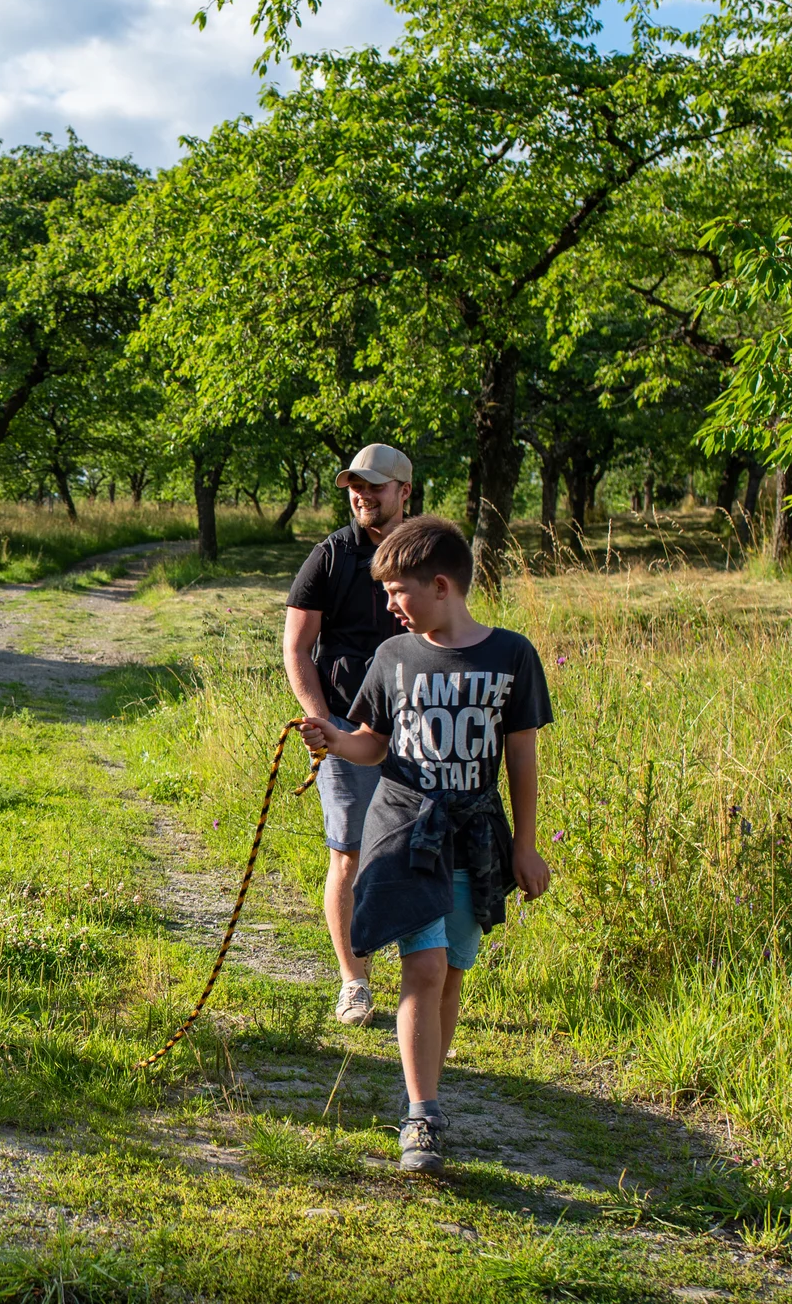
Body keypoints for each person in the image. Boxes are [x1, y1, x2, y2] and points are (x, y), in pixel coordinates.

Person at [299, 516, 552, 1175]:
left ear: (441, 586)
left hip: (476, 836)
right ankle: (423, 1116)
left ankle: (426, 1094)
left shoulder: (512, 656)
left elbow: (521, 755)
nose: (388, 606)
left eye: (397, 593)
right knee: (426, 965)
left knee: (454, 971)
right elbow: (371, 743)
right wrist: (330, 737)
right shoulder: (392, 658)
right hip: (406, 829)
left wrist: (525, 846)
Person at [283, 443, 412, 1026]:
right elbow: (296, 648)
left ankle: (421, 976)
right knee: (350, 853)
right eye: (355, 485)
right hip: (344, 725)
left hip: (417, 729)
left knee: (416, 852)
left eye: (375, 486)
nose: (362, 495)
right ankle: (354, 981)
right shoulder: (329, 558)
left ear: (404, 492)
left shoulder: (425, 552)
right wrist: (321, 719)